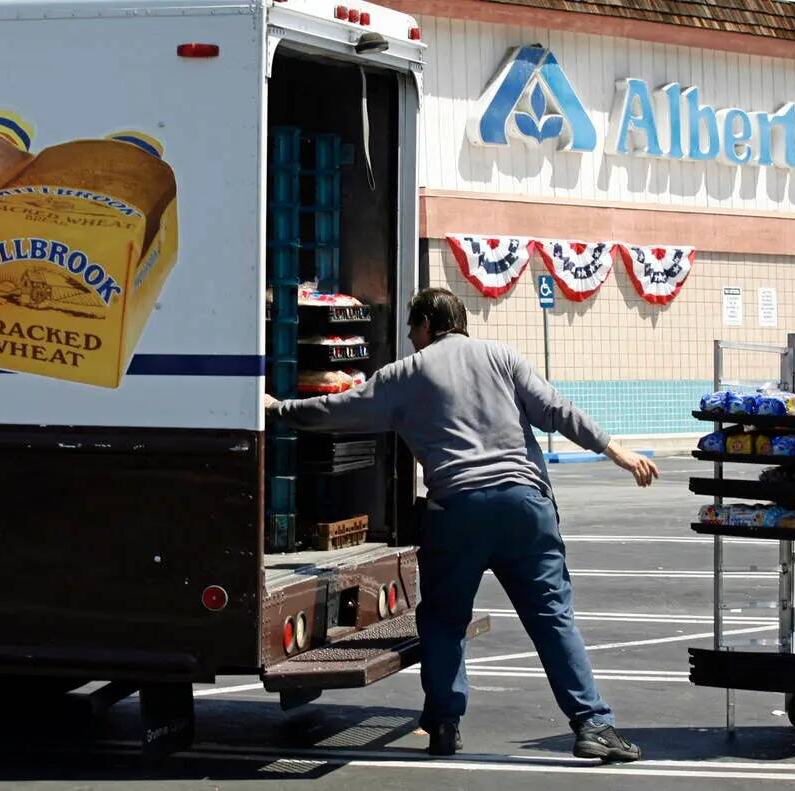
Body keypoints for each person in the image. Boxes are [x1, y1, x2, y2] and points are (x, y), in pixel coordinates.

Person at [264, 287, 659, 763]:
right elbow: (556, 410)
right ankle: (593, 725)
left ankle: (445, 724)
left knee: (445, 622)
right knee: (553, 620)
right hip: (524, 508)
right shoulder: (502, 358)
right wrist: (614, 449)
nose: (411, 338)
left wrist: (277, 409)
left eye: (412, 328)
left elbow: (337, 411)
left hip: (458, 510)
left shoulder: (405, 375)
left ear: (428, 323)